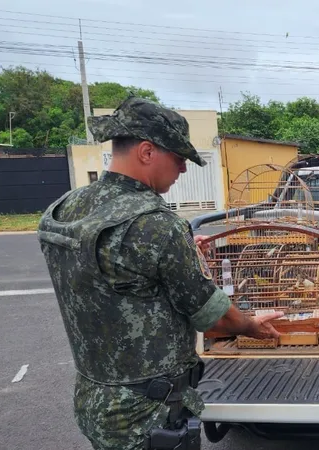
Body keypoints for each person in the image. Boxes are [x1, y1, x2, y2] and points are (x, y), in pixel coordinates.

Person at [36, 96, 284, 450]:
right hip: (147, 413)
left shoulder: (65, 208)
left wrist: (180, 255)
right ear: (147, 152)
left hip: (95, 398)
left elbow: (112, 274)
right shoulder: (156, 226)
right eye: (179, 158)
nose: (183, 169)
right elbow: (214, 320)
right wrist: (249, 325)